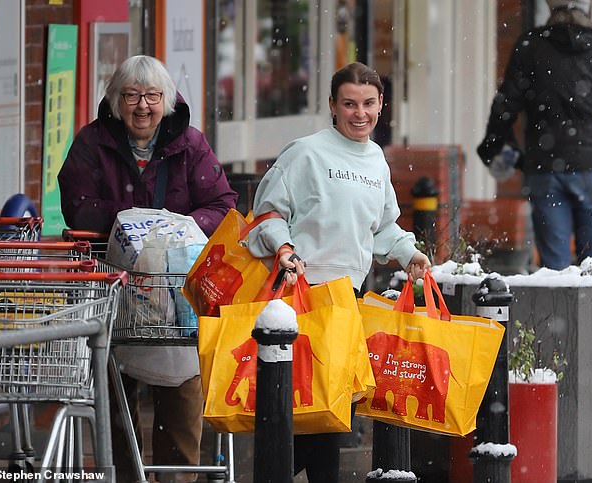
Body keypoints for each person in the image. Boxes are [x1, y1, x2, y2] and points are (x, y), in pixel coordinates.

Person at [248, 61, 431, 483]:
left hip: (346, 301)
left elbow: (383, 227)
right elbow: (268, 212)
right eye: (349, 103)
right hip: (298, 298)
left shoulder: (376, 161)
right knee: (305, 409)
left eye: (368, 103)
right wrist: (285, 246)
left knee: (335, 412)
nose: (359, 113)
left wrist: (408, 253)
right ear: (332, 105)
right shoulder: (305, 152)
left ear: (381, 105)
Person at [58, 55, 238, 482]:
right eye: (132, 96)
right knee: (115, 386)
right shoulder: (92, 143)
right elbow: (77, 206)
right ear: (116, 101)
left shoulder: (190, 145)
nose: (143, 106)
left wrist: (177, 227)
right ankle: (126, 474)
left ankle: (177, 476)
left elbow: (223, 205)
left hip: (174, 287)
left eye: (152, 96)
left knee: (180, 388)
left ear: (168, 101)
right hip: (112, 287)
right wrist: (131, 222)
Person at [477, 0, 592, 270]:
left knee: (553, 268)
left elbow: (506, 105)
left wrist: (495, 147)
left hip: (545, 167)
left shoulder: (531, 45)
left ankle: (556, 313)